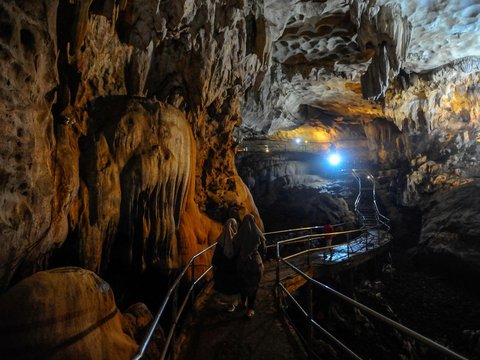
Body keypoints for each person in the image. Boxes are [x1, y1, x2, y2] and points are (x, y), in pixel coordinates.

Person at [235, 214, 266, 319]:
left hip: (242, 263)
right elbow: (263, 249)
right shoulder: (257, 233)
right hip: (254, 263)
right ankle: (250, 309)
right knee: (253, 286)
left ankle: (243, 303)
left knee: (242, 283)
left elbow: (235, 246)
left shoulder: (240, 234)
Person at [212, 218, 240, 312]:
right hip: (233, 269)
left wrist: (215, 263)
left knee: (224, 286)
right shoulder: (237, 240)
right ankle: (232, 304)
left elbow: (217, 254)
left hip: (223, 268)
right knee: (232, 287)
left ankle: (226, 303)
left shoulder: (221, 239)